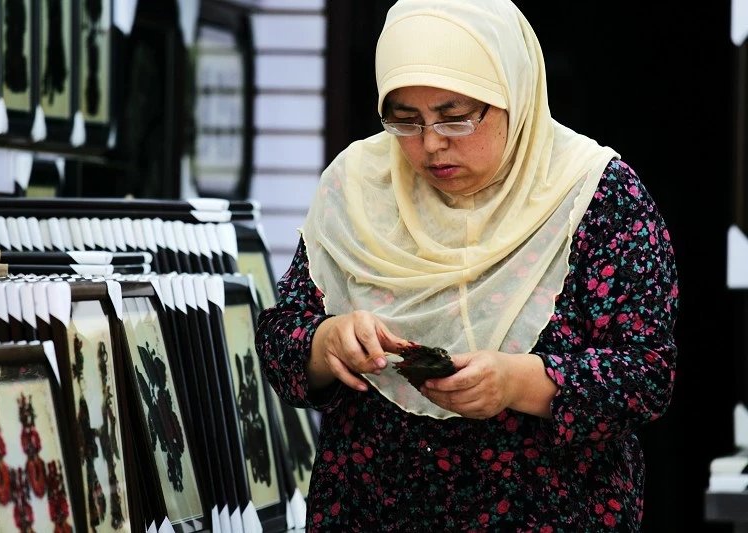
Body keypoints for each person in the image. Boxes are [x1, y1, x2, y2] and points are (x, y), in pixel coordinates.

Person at [255, 0, 678, 530]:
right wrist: (327, 343)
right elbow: (281, 338)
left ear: (513, 95)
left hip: (548, 512)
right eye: (405, 121)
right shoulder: (358, 186)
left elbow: (644, 374)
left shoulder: (592, 193)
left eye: (455, 118)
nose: (431, 144)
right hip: (371, 508)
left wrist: (518, 382)